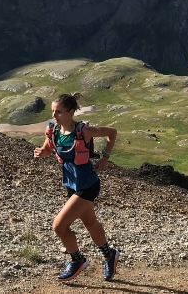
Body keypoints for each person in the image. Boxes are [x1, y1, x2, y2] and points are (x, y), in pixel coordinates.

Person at [33, 93, 120, 282]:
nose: (55, 116)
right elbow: (48, 149)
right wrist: (42, 152)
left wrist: (105, 158)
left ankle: (77, 259)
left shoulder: (84, 131)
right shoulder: (54, 131)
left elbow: (112, 132)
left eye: (59, 112)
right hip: (71, 185)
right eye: (53, 112)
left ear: (71, 112)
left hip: (87, 185)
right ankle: (109, 254)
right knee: (90, 223)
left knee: (59, 226)